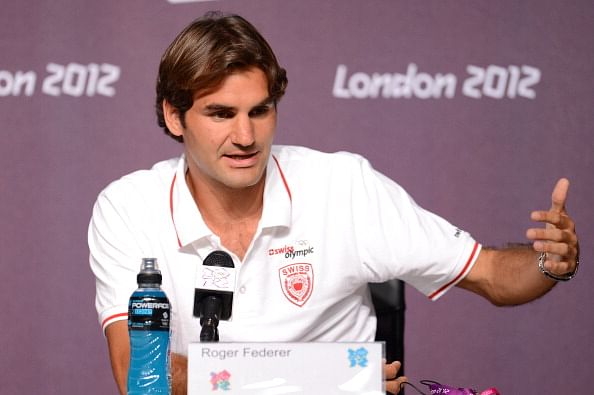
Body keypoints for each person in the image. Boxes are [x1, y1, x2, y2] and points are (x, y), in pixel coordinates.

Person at [88, 12, 580, 395]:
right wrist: (324, 381)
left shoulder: (341, 184)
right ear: (174, 116)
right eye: (221, 114)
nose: (245, 136)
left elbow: (492, 273)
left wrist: (548, 262)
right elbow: (142, 376)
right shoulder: (128, 206)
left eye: (260, 111)